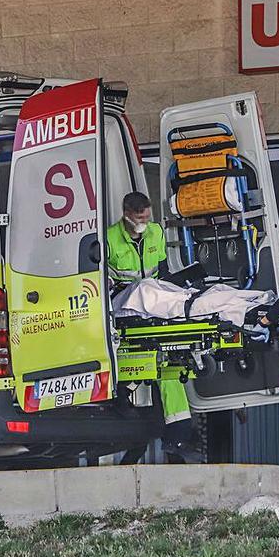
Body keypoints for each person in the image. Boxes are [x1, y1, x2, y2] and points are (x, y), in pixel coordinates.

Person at [108, 192, 199, 463]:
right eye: (140, 219)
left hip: (152, 300)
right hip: (124, 300)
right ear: (126, 215)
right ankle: (127, 395)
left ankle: (178, 434)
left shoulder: (156, 232)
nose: (145, 223)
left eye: (147, 217)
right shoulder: (110, 239)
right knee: (151, 362)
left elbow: (161, 271)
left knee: (168, 365)